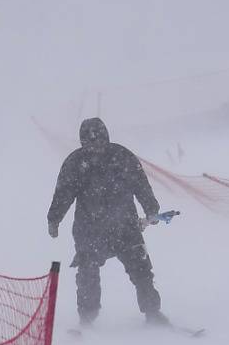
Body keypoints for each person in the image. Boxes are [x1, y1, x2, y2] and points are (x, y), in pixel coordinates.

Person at [47, 117, 168, 326]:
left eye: (100, 139)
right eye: (90, 141)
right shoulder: (76, 163)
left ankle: (152, 311)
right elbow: (63, 194)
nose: (96, 145)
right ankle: (87, 317)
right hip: (89, 229)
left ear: (107, 137)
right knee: (87, 272)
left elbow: (141, 184)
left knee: (141, 268)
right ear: (83, 142)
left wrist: (151, 209)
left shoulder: (121, 157)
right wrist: (54, 219)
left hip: (125, 226)